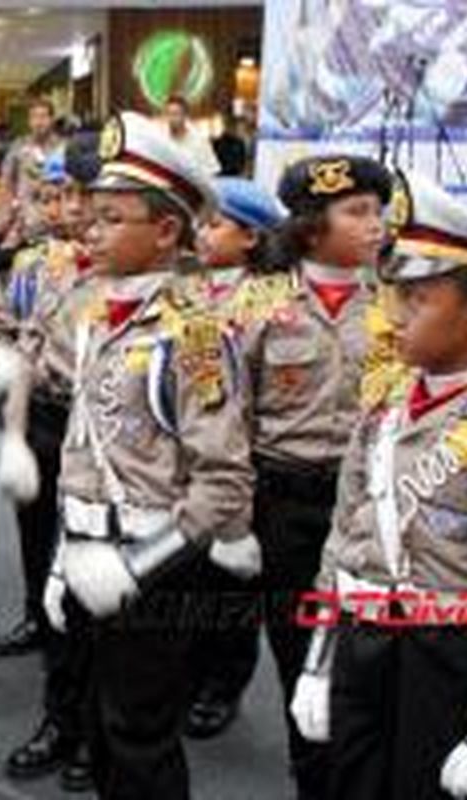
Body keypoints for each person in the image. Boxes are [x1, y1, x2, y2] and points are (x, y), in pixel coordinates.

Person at [0, 111, 256, 799]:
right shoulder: (92, 310)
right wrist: (62, 560)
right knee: (100, 729)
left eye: (111, 218)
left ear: (167, 231)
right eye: (92, 214)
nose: (89, 229)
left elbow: (224, 484)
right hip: (85, 549)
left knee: (142, 739)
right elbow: (84, 449)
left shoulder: (195, 335)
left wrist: (136, 565)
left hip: (150, 564)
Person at [291, 170, 467, 799]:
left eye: (418, 299)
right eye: (391, 295)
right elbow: (347, 536)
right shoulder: (385, 401)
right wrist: (320, 662)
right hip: (363, 644)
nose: (393, 316)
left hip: (448, 659)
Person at [234, 153, 398, 800]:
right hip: (287, 506)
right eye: (357, 212)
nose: (376, 224)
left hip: (375, 510)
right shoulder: (258, 304)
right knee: (305, 663)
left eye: (378, 211)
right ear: (309, 225)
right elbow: (229, 415)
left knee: (376, 665)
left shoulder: (398, 301)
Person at [0, 130, 102, 793]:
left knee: (97, 591)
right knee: (46, 578)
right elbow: (25, 352)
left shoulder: (166, 283)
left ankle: (94, 729)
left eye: (81, 196)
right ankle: (60, 717)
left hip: (109, 445)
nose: (68, 210)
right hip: (46, 426)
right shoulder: (49, 266)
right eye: (59, 194)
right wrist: (11, 438)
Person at [183, 177, 285, 740]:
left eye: (215, 224)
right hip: (188, 461)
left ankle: (225, 683)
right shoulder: (188, 290)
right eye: (199, 222)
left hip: (242, 461)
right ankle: (194, 672)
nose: (202, 234)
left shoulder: (269, 298)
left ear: (250, 237)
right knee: (190, 579)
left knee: (233, 588)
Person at [0, 99, 64, 238]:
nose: (39, 122)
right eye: (34, 117)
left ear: (52, 119)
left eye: (43, 116)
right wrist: (7, 212)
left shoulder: (63, 147)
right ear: (29, 121)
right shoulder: (18, 146)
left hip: (55, 218)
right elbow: (6, 182)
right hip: (24, 218)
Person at [162, 95, 220, 176]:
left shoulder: (199, 140)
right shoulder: (162, 140)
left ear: (184, 115)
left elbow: (213, 169)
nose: (171, 119)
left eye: (175, 114)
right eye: (168, 114)